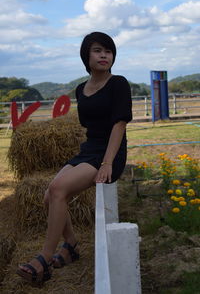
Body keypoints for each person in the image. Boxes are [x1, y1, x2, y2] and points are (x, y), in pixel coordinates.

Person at [16, 31, 132, 286]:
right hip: (89, 149)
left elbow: (119, 125)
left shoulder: (119, 83)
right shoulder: (81, 89)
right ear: (86, 56)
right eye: (98, 50)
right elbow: (88, 125)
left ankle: (45, 259)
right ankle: (71, 245)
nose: (104, 55)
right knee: (50, 195)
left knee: (58, 188)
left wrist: (107, 163)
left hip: (110, 153)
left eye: (109, 51)